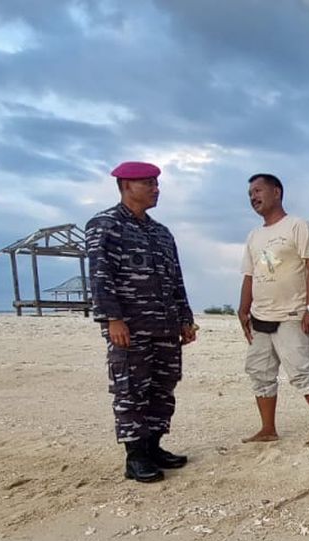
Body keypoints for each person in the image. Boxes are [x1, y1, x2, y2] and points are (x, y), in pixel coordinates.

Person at [87, 161, 196, 483]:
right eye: (148, 183)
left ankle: (153, 446)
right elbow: (100, 276)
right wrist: (113, 319)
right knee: (131, 389)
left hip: (165, 326)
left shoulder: (161, 233)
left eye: (156, 184)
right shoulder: (106, 225)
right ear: (126, 186)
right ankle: (135, 456)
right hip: (130, 328)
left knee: (163, 387)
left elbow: (176, 280)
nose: (156, 189)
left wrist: (185, 319)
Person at [237, 173, 309, 447]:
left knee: (301, 372)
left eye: (258, 191)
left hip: (292, 315)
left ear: (276, 192)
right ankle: (267, 428)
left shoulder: (298, 226)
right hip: (260, 317)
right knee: (260, 373)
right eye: (250, 194)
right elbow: (249, 275)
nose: (253, 197)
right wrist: (243, 309)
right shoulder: (254, 236)